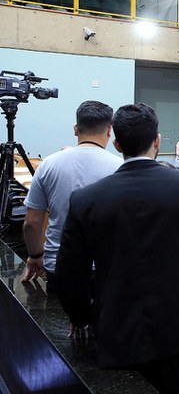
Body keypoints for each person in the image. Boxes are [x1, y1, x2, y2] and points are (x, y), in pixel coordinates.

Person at [55, 103, 179, 394]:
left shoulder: (85, 199)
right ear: (157, 140)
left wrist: (82, 316)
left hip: (118, 330)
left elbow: (69, 273)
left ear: (116, 143)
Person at [21, 100, 123, 291]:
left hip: (59, 264)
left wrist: (35, 256)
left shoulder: (49, 164)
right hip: (106, 266)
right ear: (109, 131)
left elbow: (32, 222)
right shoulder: (120, 168)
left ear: (76, 129)